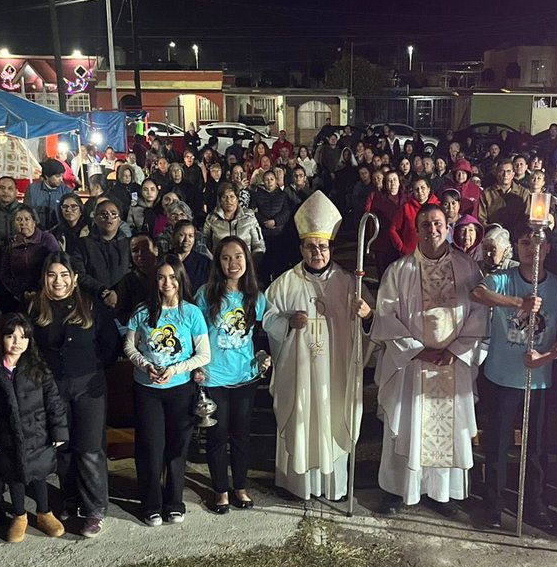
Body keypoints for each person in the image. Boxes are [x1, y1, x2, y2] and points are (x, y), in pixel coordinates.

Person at [373, 203, 486, 515]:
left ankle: (441, 494)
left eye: (438, 223)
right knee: (408, 424)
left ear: (447, 226)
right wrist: (417, 349)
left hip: (452, 364)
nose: (433, 230)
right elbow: (386, 315)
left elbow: (480, 313)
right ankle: (399, 491)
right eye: (426, 225)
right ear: (417, 229)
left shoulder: (467, 268)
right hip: (412, 363)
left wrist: (455, 350)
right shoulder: (399, 271)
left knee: (446, 429)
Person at [263, 192, 372, 501]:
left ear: (330, 248)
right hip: (298, 374)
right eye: (310, 246)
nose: (317, 252)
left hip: (335, 372)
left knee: (333, 417)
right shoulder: (285, 283)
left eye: (322, 246)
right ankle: (299, 486)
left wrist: (364, 315)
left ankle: (334, 485)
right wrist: (286, 322)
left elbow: (369, 321)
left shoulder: (350, 282)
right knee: (302, 419)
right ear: (301, 248)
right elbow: (266, 318)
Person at [469, 226, 557, 531]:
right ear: (516, 247)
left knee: (536, 447)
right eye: (525, 242)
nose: (531, 248)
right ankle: (493, 503)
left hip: (538, 378)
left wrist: (547, 356)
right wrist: (517, 303)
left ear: (548, 248)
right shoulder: (504, 279)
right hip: (502, 376)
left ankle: (534, 502)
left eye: (537, 242)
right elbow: (478, 293)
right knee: (497, 444)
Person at [27, 253, 120, 536]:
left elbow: (111, 344)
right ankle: (69, 499)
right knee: (63, 447)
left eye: (64, 275)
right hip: (53, 388)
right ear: (44, 278)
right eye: (53, 275)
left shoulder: (91, 306)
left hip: (89, 387)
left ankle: (94, 510)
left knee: (90, 449)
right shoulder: (34, 307)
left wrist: (93, 368)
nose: (59, 281)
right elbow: (29, 349)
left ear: (75, 278)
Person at [124, 253, 210, 525]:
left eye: (173, 277)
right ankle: (150, 503)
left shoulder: (191, 313)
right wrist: (145, 364)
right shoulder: (142, 311)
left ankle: (174, 501)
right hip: (147, 389)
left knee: (177, 447)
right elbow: (129, 346)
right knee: (151, 447)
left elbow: (204, 354)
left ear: (181, 279)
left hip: (179, 389)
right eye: (161, 277)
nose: (167, 283)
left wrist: (175, 369)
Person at [0, 313, 68, 543]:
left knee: (39, 475)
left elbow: (53, 400)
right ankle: (19, 515)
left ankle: (45, 513)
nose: (17, 342)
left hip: (38, 434)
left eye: (23, 337)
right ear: (1, 338)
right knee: (14, 476)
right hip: (8, 438)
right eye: (11, 336)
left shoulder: (38, 367)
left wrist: (59, 430)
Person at [196, 237, 270, 513]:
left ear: (247, 260)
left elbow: (262, 333)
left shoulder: (255, 296)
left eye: (238, 256)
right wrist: (198, 366)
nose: (233, 263)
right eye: (226, 258)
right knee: (217, 435)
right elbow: (196, 333)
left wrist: (263, 356)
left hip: (245, 375)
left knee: (241, 434)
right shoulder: (206, 294)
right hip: (214, 375)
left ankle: (240, 486)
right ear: (218, 262)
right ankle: (220, 490)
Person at [71, 199, 130, 307]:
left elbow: (133, 272)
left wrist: (118, 293)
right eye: (103, 214)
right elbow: (79, 274)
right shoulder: (82, 245)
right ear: (95, 219)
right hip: (92, 303)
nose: (109, 217)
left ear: (119, 219)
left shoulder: (128, 244)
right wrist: (102, 292)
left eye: (113, 214)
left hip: (125, 302)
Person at [0, 207, 61, 309]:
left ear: (34, 222)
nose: (23, 223)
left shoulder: (47, 239)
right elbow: (5, 274)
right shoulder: (11, 245)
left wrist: (39, 291)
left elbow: (58, 265)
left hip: (46, 294)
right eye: (19, 219)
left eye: (27, 219)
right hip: (20, 297)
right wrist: (21, 292)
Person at [203, 183, 265, 258]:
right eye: (224, 197)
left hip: (246, 264)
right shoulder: (211, 219)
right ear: (220, 200)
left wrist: (252, 263)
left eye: (232, 197)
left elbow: (258, 244)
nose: (228, 200)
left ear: (237, 198)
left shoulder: (249, 217)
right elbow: (205, 244)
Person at [252, 169, 293, 283]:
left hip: (279, 233)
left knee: (279, 261)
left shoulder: (283, 195)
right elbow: (253, 212)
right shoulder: (257, 195)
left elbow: (286, 211)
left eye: (272, 179)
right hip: (263, 233)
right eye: (267, 179)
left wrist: (275, 221)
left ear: (276, 181)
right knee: (265, 262)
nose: (269, 182)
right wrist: (264, 221)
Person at [388, 176, 441, 260]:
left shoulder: (438, 207)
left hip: (435, 255)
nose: (420, 191)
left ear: (428, 189)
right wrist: (402, 248)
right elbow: (393, 230)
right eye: (417, 189)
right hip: (411, 256)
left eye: (423, 188)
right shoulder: (406, 207)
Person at [366, 170, 405, 275]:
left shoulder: (407, 199)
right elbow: (373, 224)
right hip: (383, 244)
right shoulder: (379, 200)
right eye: (389, 180)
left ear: (399, 182)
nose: (392, 183)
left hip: (402, 243)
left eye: (394, 180)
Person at [478, 160, 531, 229]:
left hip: (518, 233)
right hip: (493, 232)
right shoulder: (487, 193)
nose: (505, 175)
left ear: (513, 174)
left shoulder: (523, 192)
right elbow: (482, 218)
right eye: (502, 171)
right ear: (496, 174)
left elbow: (527, 216)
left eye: (508, 171)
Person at [24, 158, 71, 231]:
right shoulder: (32, 189)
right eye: (57, 176)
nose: (61, 179)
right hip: (35, 232)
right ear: (46, 176)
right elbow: (27, 210)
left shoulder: (66, 191)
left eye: (62, 176)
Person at [0, 177, 25, 248]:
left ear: (16, 192)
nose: (6, 191)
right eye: (2, 188)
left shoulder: (28, 212)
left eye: (10, 188)